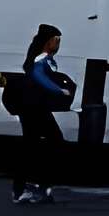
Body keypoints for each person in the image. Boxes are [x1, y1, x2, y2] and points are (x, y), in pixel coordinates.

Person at [10, 25, 75, 204]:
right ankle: (34, 187)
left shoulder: (42, 57)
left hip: (33, 106)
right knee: (52, 141)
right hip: (34, 107)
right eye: (56, 40)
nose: (58, 43)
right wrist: (60, 91)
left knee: (33, 145)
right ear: (47, 41)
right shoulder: (40, 58)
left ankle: (28, 187)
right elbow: (40, 77)